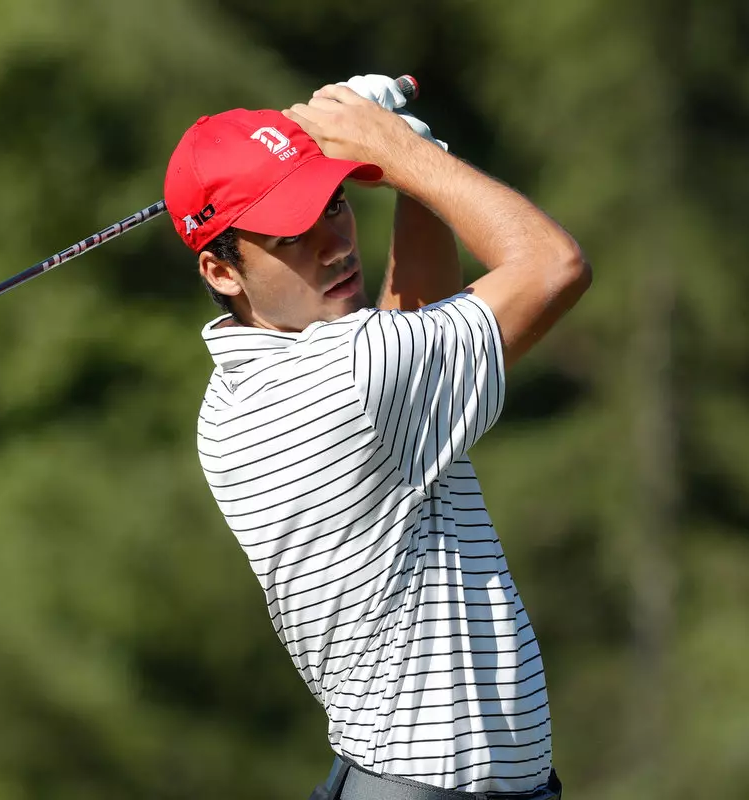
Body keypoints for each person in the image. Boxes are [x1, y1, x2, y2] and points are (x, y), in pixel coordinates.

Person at [163, 74, 590, 800]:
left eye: (334, 205)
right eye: (292, 234)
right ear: (221, 269)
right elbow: (554, 267)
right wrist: (401, 153)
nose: (334, 245)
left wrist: (414, 161)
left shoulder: (235, 396)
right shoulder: (348, 376)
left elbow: (404, 332)